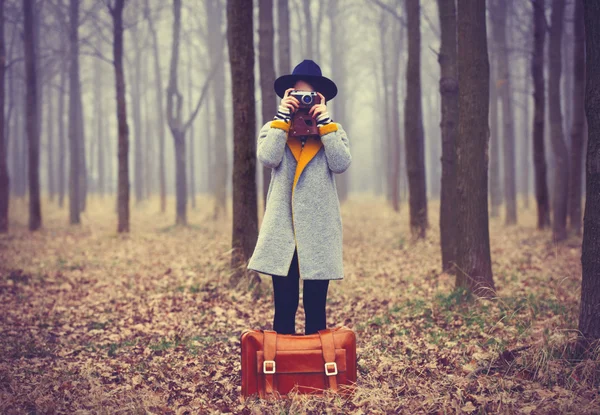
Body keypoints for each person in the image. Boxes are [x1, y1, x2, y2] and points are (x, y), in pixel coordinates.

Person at [247, 59, 352, 335]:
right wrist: (282, 118)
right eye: (298, 95)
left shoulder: (333, 131)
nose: (304, 101)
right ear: (287, 96)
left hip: (318, 231)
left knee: (316, 308)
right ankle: (283, 369)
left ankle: (316, 372)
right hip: (284, 231)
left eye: (310, 96)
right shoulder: (274, 129)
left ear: (321, 98)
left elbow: (341, 164)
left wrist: (325, 123)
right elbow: (268, 157)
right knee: (284, 305)